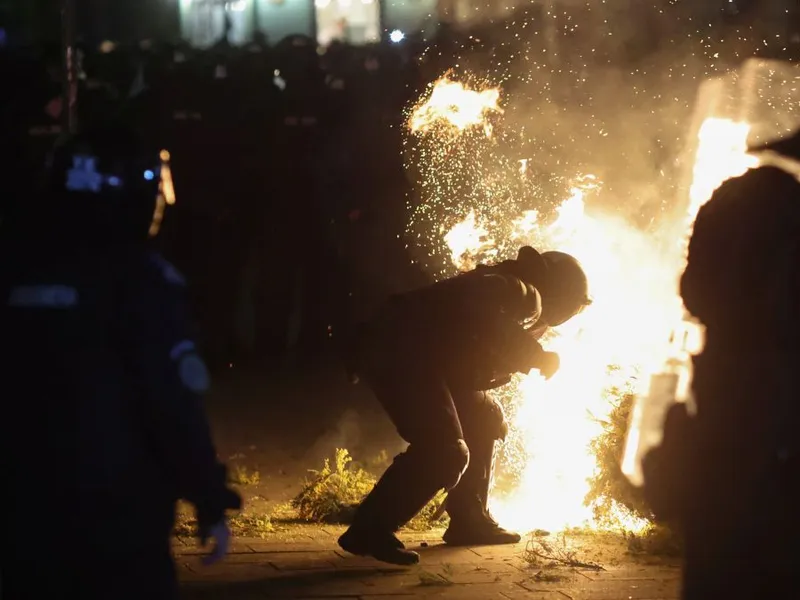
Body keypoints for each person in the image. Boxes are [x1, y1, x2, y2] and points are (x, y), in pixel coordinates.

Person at [0, 124, 242, 600]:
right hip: (116, 514)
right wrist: (209, 496)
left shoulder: (14, 267)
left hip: (20, 510)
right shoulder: (143, 281)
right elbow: (171, 403)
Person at [339, 246, 592, 565]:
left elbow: (463, 338)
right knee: (445, 451)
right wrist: (537, 356)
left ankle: (470, 519)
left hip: (409, 352)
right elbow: (488, 323)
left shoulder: (501, 283)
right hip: (403, 354)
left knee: (485, 414)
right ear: (563, 295)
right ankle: (369, 529)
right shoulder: (519, 291)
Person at [642, 129, 800, 599]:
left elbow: (692, 290)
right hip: (780, 392)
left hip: (721, 385)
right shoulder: (790, 209)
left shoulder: (727, 199)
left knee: (717, 540)